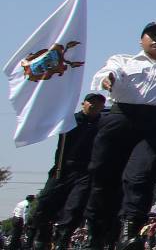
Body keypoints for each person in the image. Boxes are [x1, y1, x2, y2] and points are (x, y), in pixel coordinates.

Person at [85, 21, 156, 250]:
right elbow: (107, 73)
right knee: (103, 178)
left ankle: (130, 231)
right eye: (152, 35)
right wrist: (107, 79)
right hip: (120, 119)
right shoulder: (122, 60)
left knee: (140, 178)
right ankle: (96, 233)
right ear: (141, 40)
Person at [26, 93, 104, 250]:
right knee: (45, 203)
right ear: (83, 103)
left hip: (85, 171)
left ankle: (63, 238)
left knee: (75, 206)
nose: (94, 105)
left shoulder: (103, 124)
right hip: (63, 168)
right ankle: (41, 234)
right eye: (91, 102)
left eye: (98, 103)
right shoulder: (69, 120)